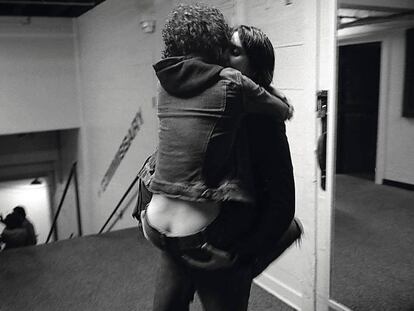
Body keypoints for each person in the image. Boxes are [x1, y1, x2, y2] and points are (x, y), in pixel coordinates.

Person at [136, 4, 294, 311]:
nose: (221, 55)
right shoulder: (203, 94)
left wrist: (241, 256)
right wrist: (143, 212)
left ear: (254, 65)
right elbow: (163, 161)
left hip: (225, 245)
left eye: (232, 51)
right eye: (222, 47)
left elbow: (282, 201)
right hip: (185, 233)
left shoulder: (263, 122)